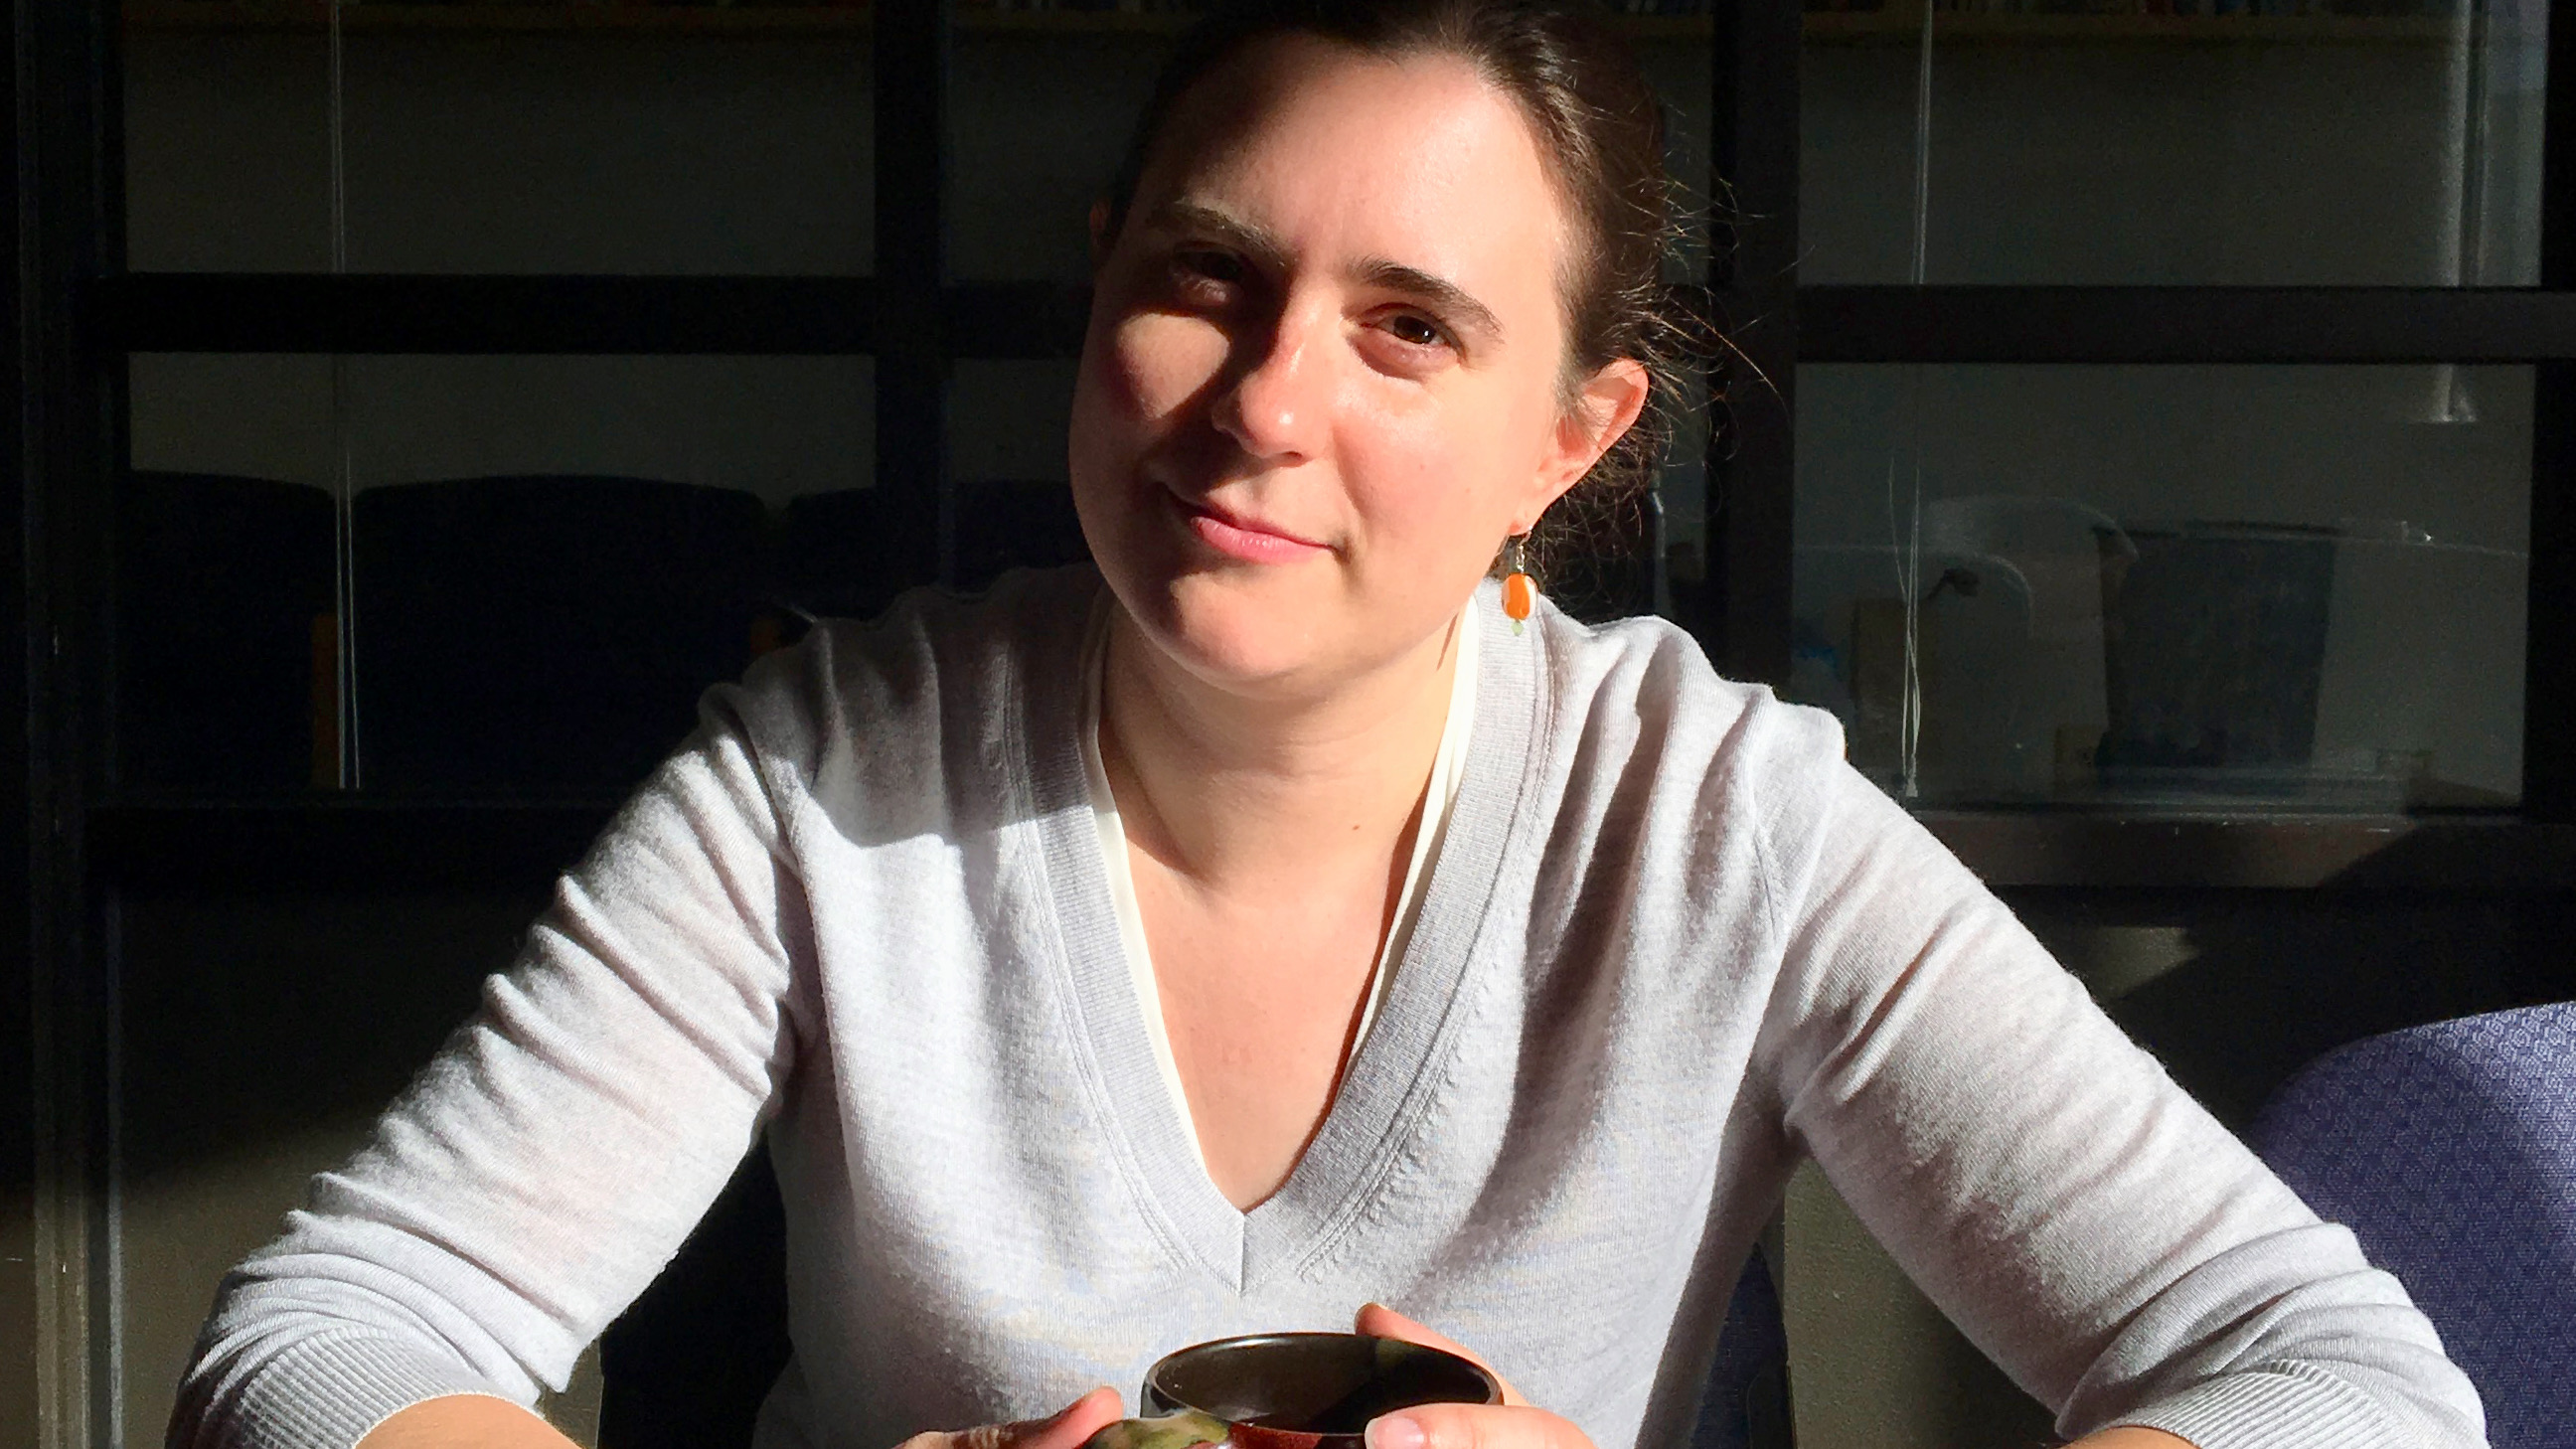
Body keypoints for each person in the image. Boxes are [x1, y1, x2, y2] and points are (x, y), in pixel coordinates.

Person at [169, 2, 2487, 1448]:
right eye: (1206, 279)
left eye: (1406, 329)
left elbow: (2345, 1386)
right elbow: (329, 1336)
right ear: (1103, 285)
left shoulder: (1714, 828)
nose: (1263, 404)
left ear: (1569, 437)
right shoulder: (827, 776)